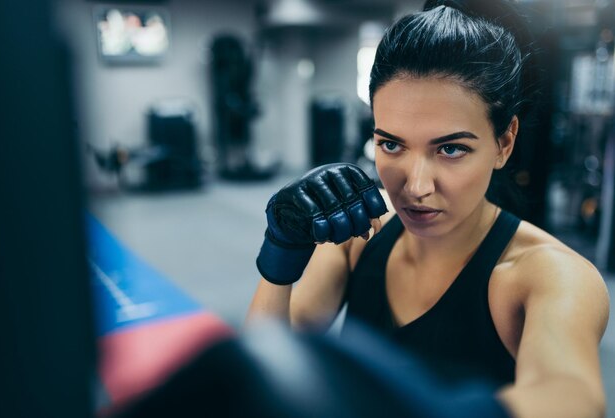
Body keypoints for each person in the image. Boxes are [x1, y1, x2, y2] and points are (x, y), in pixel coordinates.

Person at [247, 0, 610, 417]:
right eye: (392, 144)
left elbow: (571, 398)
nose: (415, 187)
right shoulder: (361, 234)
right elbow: (264, 367)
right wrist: (280, 254)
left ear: (504, 143)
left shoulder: (547, 275)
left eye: (451, 148)